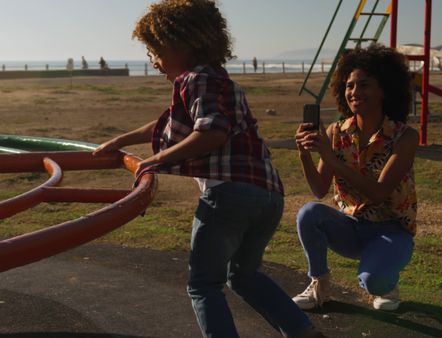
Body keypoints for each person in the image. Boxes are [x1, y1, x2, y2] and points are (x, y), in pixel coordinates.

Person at [94, 1, 321, 337]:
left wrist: (157, 159)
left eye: (155, 50)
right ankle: (303, 331)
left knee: (203, 284)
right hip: (269, 196)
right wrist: (118, 140)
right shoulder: (220, 81)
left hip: (229, 195)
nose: (153, 62)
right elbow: (164, 124)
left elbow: (213, 131)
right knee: (243, 276)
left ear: (184, 45)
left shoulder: (193, 79)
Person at [292, 43, 417, 312]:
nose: (354, 92)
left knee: (373, 282)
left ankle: (387, 283)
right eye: (349, 86)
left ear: (384, 89)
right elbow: (318, 189)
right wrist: (304, 154)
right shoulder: (337, 132)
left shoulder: (404, 137)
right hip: (351, 227)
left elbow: (378, 193)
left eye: (364, 85)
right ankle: (320, 283)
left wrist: (331, 158)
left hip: (391, 232)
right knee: (309, 213)